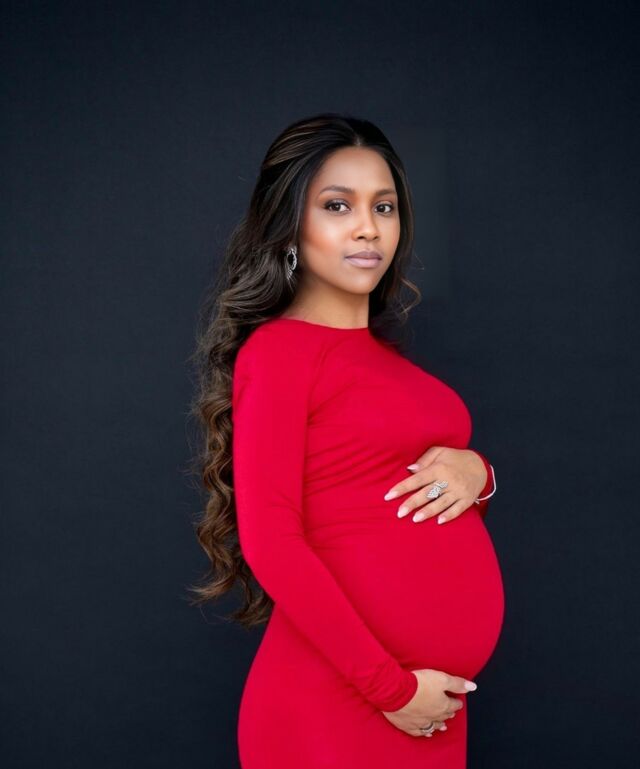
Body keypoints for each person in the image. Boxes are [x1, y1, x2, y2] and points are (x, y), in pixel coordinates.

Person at [188, 112, 504, 768]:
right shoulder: (279, 353)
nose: (368, 227)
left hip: (432, 709)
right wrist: (391, 689)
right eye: (338, 206)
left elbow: (396, 476)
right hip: (341, 703)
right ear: (289, 225)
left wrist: (480, 473)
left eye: (383, 206)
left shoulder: (389, 364)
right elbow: (272, 540)